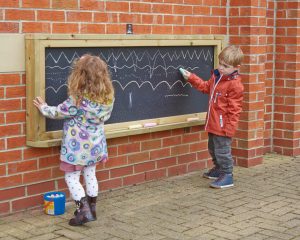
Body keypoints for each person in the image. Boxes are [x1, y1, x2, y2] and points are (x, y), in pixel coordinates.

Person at [34, 54, 115, 225]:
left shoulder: (78, 99)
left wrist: (43, 108)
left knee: (71, 177)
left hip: (77, 147)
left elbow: (58, 112)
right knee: (90, 174)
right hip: (95, 145)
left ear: (81, 76)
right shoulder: (108, 96)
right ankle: (92, 208)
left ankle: (83, 211)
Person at [179, 45, 244, 189]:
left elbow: (235, 109)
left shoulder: (235, 85)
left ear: (236, 67)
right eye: (220, 63)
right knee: (212, 148)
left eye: (225, 66)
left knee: (222, 151)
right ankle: (219, 169)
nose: (221, 67)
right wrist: (191, 78)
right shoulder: (217, 77)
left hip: (223, 126)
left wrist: (229, 128)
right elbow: (205, 87)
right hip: (213, 123)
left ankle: (227, 175)